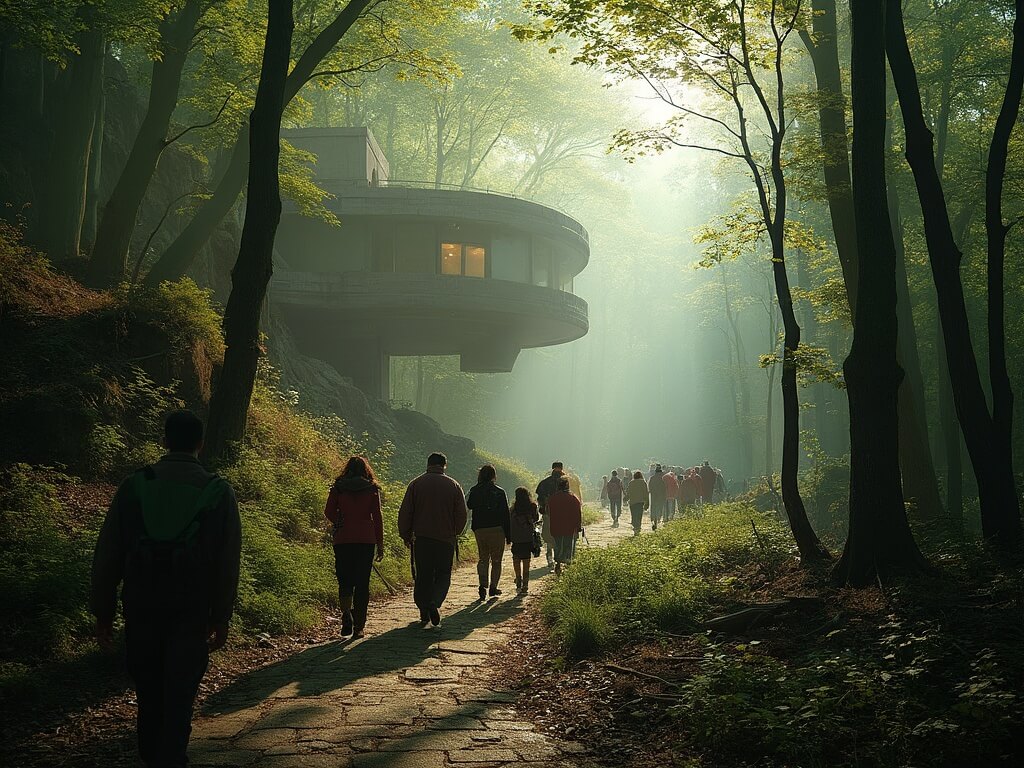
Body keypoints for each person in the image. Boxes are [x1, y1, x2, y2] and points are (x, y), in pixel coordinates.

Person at [91, 410, 241, 768]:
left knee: (148, 687)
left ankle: (151, 756)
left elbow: (109, 552)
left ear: (164, 441)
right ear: (201, 445)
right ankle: (172, 757)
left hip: (141, 601)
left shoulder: (135, 485)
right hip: (192, 604)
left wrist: (103, 611)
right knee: (180, 690)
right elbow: (227, 562)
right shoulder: (218, 491)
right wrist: (221, 616)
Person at [398, 452, 468, 628]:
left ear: (428, 464)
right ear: (444, 465)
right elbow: (461, 513)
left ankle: (423, 610)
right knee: (443, 574)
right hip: (445, 539)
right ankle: (435, 603)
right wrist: (455, 532)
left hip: (422, 539)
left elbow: (406, 512)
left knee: (424, 574)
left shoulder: (416, 484)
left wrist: (406, 534)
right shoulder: (453, 485)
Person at [324, 456, 384, 639]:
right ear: (366, 469)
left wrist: (339, 521)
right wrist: (380, 543)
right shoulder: (371, 488)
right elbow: (377, 517)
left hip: (343, 539)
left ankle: (346, 615)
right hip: (366, 539)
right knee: (362, 583)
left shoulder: (339, 487)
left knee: (345, 580)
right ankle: (359, 625)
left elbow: (328, 511)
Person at [466, 464, 511, 600]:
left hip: (480, 528)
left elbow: (469, 505)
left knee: (483, 558)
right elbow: (505, 514)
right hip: (497, 528)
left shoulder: (474, 490)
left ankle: (482, 585)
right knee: (496, 560)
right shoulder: (499, 491)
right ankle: (493, 586)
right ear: (493, 476)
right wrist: (508, 535)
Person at [546, 476, 583, 575]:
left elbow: (548, 512)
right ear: (567, 486)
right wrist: (578, 526)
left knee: (557, 545)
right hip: (569, 527)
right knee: (568, 546)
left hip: (556, 526)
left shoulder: (552, 498)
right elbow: (578, 513)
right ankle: (568, 565)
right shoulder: (573, 498)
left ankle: (558, 564)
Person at [509, 487, 540, 594]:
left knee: (516, 559)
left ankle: (518, 579)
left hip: (516, 538)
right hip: (527, 537)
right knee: (526, 561)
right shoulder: (532, 506)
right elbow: (536, 519)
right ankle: (525, 584)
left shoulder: (513, 509)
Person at [535, 461, 564, 571]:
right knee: (560, 536)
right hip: (561, 514)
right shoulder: (565, 482)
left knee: (548, 536)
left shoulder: (544, 482)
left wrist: (542, 508)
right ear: (561, 468)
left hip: (548, 513)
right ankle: (558, 560)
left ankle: (550, 557)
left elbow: (539, 499)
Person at [626, 470, 649, 535]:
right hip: (640, 501)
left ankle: (634, 525)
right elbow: (645, 493)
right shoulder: (643, 482)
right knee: (639, 515)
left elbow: (629, 492)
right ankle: (638, 526)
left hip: (632, 501)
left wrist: (626, 498)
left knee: (633, 514)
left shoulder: (631, 483)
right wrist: (647, 502)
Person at [648, 464, 666, 530]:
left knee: (653, 509)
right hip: (661, 496)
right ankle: (658, 519)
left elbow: (649, 488)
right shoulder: (663, 478)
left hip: (654, 496)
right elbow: (665, 488)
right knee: (660, 508)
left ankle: (654, 521)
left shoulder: (652, 478)